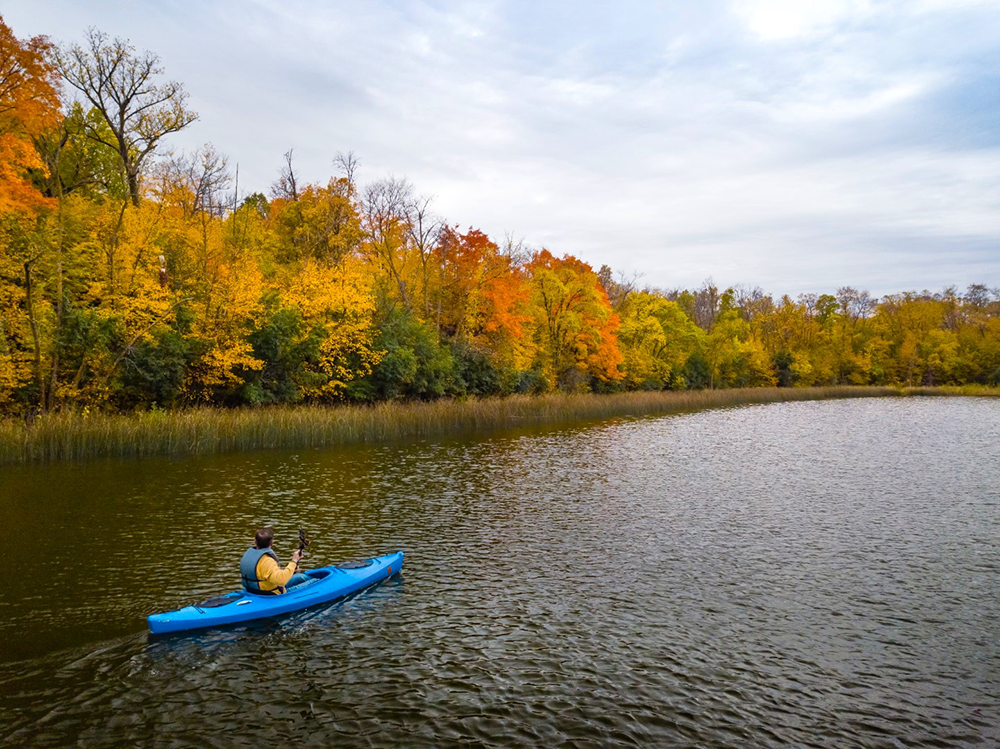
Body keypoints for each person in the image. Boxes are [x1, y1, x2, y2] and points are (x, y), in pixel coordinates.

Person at [240, 527, 310, 595]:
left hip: (253, 589)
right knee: (314, 581)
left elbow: (264, 574)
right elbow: (281, 581)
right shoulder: (267, 561)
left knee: (301, 577)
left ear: (254, 542)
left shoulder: (249, 555)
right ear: (271, 543)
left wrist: (292, 570)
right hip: (270, 594)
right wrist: (294, 561)